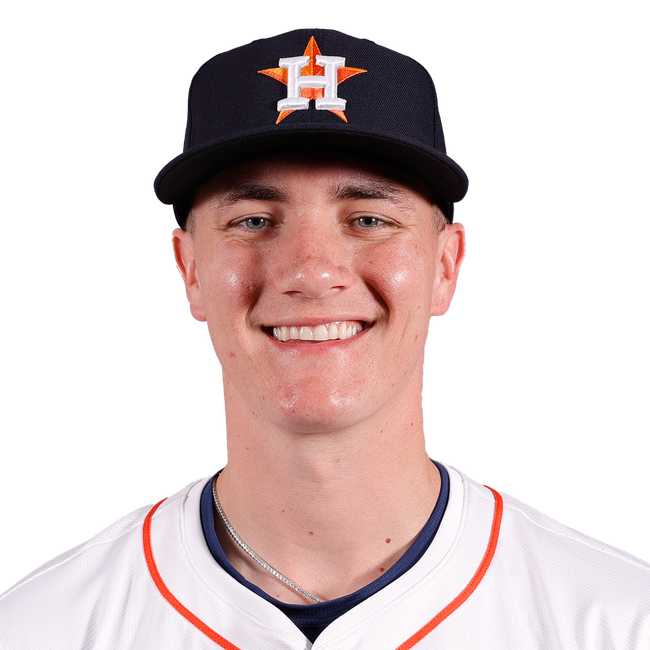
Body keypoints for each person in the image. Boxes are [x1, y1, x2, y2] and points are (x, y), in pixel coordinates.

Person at [1, 27, 648, 650]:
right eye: (253, 220)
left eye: (368, 219)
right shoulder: (39, 629)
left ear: (446, 266)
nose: (310, 272)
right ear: (189, 269)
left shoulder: (620, 621)